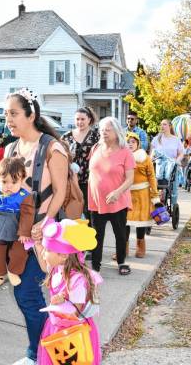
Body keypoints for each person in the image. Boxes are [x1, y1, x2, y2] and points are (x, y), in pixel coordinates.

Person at [4, 88, 69, 365]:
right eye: (6, 113)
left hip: (42, 234)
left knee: (28, 294)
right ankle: (44, 351)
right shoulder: (10, 148)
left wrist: (45, 222)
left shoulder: (52, 148)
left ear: (31, 115)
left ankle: (38, 353)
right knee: (24, 295)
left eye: (14, 113)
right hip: (14, 233)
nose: (9, 119)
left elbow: (61, 191)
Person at [36, 217, 102, 365]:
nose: (43, 254)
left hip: (73, 333)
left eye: (48, 250)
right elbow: (43, 264)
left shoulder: (77, 280)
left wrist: (63, 300)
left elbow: (76, 313)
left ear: (63, 255)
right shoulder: (56, 269)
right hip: (56, 327)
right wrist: (38, 244)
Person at [88, 117, 135, 275]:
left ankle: (121, 262)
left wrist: (117, 192)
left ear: (116, 132)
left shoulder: (125, 152)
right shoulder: (95, 148)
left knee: (120, 234)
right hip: (97, 201)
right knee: (96, 236)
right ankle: (95, 267)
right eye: (102, 129)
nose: (103, 132)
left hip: (118, 201)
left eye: (107, 130)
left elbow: (130, 179)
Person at [0, 158, 35, 287]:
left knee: (19, 252)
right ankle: (0, 273)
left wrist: (24, 232)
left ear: (22, 180)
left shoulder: (24, 196)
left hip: (17, 231)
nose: (8, 186)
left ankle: (13, 271)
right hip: (0, 229)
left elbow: (27, 214)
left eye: (14, 182)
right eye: (4, 181)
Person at [126, 132, 160, 258]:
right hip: (127, 193)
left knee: (140, 223)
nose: (130, 144)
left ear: (138, 144)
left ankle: (140, 248)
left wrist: (155, 195)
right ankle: (123, 249)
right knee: (125, 222)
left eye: (133, 142)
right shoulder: (122, 156)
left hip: (142, 194)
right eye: (128, 142)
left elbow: (151, 176)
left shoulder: (144, 157)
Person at [62, 107, 99, 220]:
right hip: (71, 180)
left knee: (89, 212)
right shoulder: (66, 136)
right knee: (72, 210)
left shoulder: (97, 136)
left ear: (89, 119)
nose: (80, 122)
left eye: (83, 119)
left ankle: (89, 236)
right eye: (77, 119)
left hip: (90, 181)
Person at [150, 119, 183, 206]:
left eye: (164, 124)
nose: (162, 126)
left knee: (173, 188)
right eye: (161, 124)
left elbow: (181, 154)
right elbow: (151, 154)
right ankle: (156, 204)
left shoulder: (176, 140)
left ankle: (173, 205)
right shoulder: (156, 139)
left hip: (172, 166)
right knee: (156, 186)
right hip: (158, 165)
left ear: (170, 126)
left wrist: (177, 160)